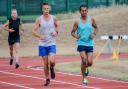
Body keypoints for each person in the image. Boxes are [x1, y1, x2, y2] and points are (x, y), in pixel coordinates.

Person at [71, 4, 98, 84]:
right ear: (80, 12)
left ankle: (86, 67)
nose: (84, 12)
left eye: (85, 10)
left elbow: (96, 28)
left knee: (89, 62)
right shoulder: (77, 21)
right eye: (82, 11)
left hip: (89, 43)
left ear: (87, 11)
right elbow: (72, 32)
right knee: (84, 60)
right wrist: (76, 36)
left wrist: (94, 34)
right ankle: (84, 78)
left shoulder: (91, 20)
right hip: (81, 43)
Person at [32, 3, 58, 86]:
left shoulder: (54, 18)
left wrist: (56, 32)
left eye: (47, 8)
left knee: (52, 61)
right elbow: (33, 31)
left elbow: (57, 27)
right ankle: (47, 78)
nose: (46, 10)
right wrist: (40, 36)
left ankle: (52, 68)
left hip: (51, 43)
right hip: (42, 44)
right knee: (45, 63)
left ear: (49, 9)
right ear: (42, 10)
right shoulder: (39, 19)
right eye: (45, 9)